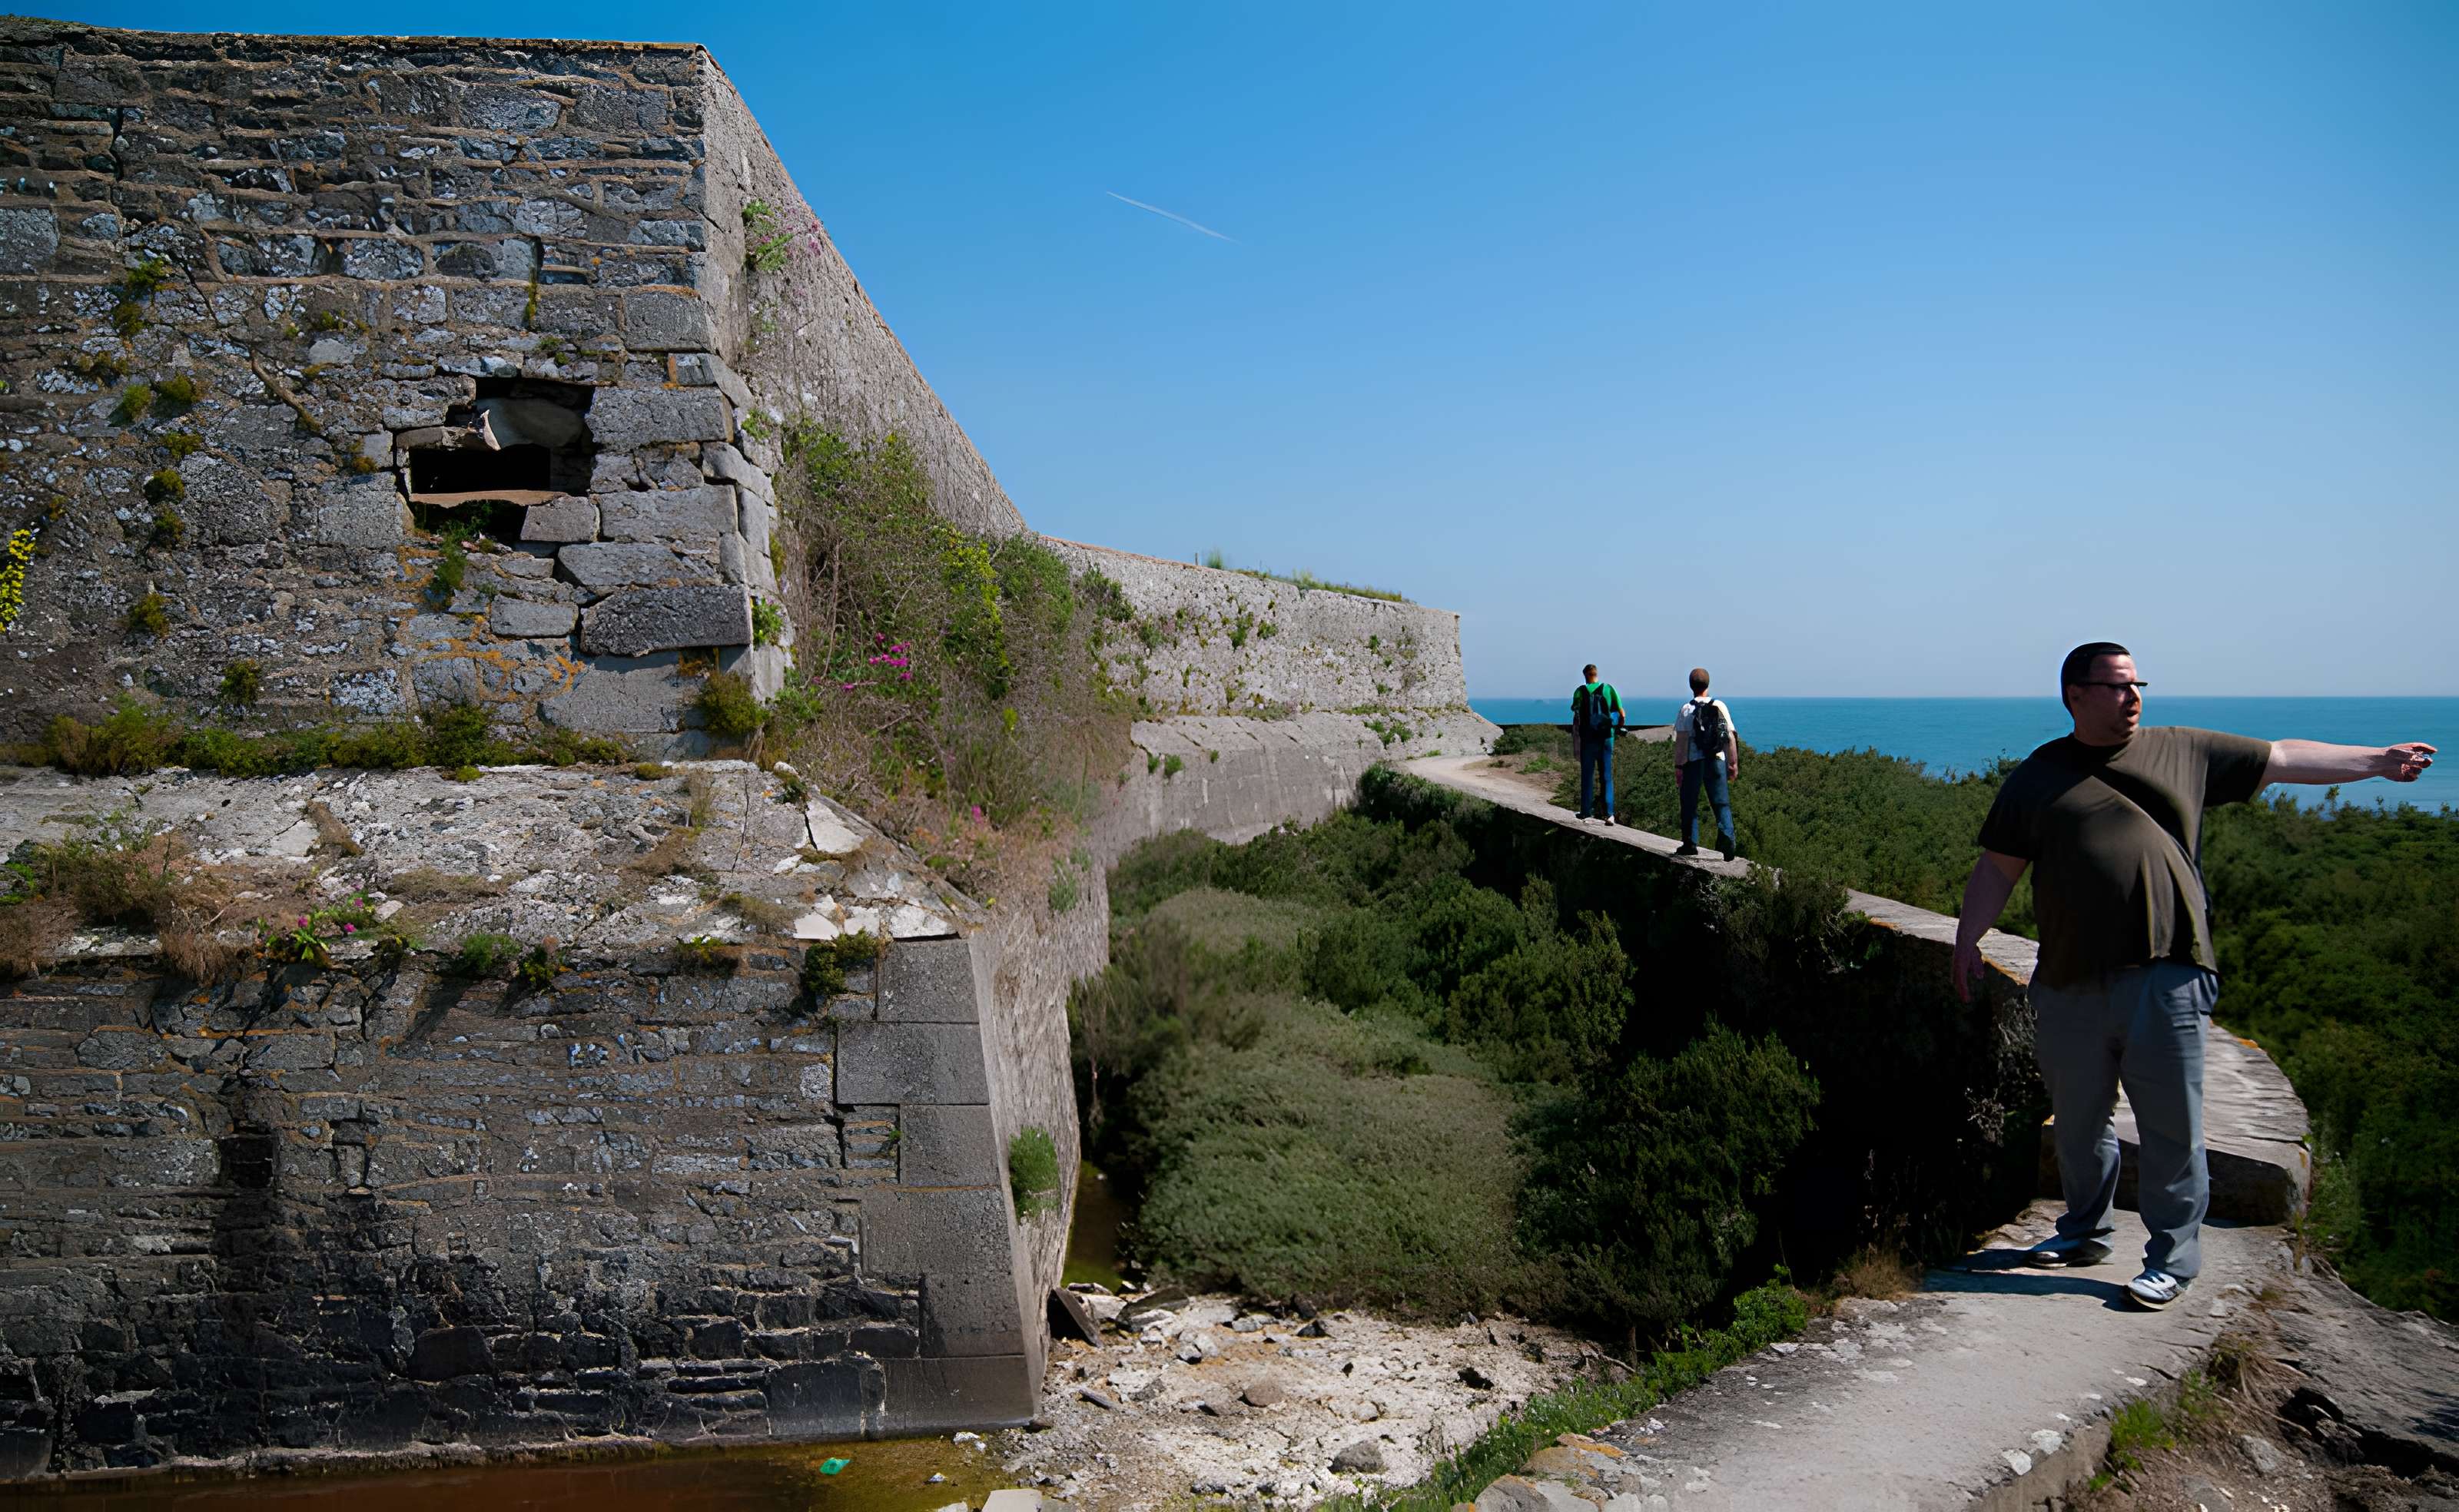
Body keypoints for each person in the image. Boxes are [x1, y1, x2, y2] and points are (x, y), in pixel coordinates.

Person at [1952, 642, 2434, 1311]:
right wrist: (1967, 937)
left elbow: (2284, 757)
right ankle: (2084, 1231)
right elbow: (1998, 866)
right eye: (2117, 686)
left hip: (2168, 970)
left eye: (2137, 684)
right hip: (2066, 979)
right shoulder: (2038, 775)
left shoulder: (2183, 748)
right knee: (2078, 1125)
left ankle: (2172, 1259)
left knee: (2170, 1125)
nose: (2134, 697)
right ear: (2075, 695)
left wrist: (2377, 763)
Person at [1671, 668, 1739, 860]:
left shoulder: (1686, 709)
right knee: (1721, 804)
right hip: (1716, 760)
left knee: (1689, 804)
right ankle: (1728, 846)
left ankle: (1690, 843)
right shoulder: (1720, 706)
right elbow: (1730, 738)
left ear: (1691, 686)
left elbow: (1681, 743)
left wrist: (1679, 768)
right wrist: (1733, 764)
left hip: (1693, 762)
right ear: (1707, 685)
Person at [1570, 664, 1625, 824]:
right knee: (1606, 776)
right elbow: (1621, 713)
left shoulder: (1580, 691)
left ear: (1585, 676)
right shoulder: (1608, 689)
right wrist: (1619, 725)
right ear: (1596, 674)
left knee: (1587, 775)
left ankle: (1586, 811)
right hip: (1607, 737)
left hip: (1588, 739)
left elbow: (1575, 710)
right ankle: (1609, 814)